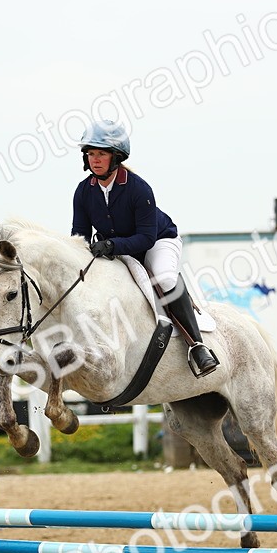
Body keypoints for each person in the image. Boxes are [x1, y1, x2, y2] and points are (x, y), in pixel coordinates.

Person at [71, 121, 218, 376]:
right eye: (91, 153)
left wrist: (111, 245)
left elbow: (146, 238)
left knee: (164, 276)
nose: (95, 159)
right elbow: (80, 236)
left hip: (157, 241)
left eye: (101, 153)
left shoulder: (138, 189)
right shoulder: (84, 192)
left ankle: (197, 346)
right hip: (114, 249)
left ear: (116, 157)